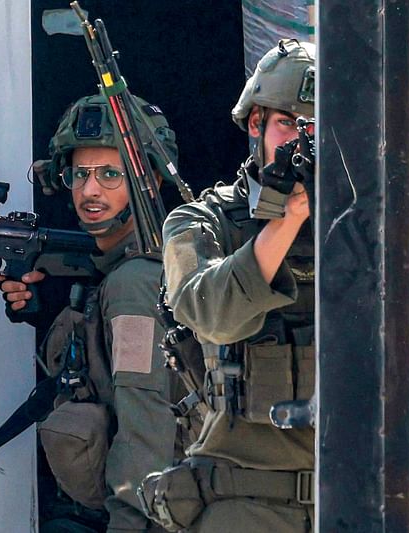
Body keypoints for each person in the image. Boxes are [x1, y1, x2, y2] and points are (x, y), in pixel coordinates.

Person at [0, 93, 195, 533]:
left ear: (150, 180)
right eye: (80, 174)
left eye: (110, 174)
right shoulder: (116, 272)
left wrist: (130, 524)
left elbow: (146, 423)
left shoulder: (135, 284)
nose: (90, 189)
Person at [138, 39, 317, 532]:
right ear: (255, 124)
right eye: (290, 125)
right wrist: (286, 222)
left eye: (321, 130)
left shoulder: (366, 227)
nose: (304, 143)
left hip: (359, 496)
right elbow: (208, 313)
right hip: (246, 501)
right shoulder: (204, 222)